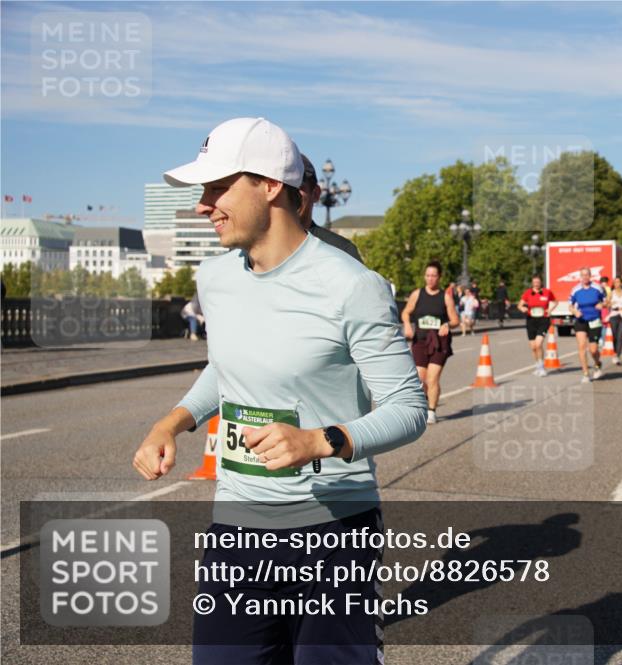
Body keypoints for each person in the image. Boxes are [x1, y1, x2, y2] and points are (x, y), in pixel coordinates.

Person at [133, 117, 427, 664]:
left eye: (218, 188)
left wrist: (318, 441)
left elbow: (409, 409)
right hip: (238, 529)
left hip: (333, 530)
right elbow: (227, 367)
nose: (203, 205)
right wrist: (171, 422)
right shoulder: (215, 278)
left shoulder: (353, 286)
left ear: (271, 186)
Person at [402, 261, 461, 424]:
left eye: (434, 275)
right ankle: (425, 400)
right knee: (420, 378)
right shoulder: (417, 294)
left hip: (439, 342)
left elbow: (456, 319)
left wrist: (448, 325)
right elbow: (406, 312)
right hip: (420, 341)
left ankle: (431, 411)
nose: (430, 279)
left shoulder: (445, 297)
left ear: (439, 277)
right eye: (427, 275)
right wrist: (407, 325)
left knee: (432, 378)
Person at [296, 154, 363, 262]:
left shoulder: (341, 250)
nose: (288, 196)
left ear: (316, 194)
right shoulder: (261, 246)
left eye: (297, 187)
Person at [570, 268, 607, 383]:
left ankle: (597, 363)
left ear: (590, 276)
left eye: (587, 275)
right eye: (583, 275)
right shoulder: (575, 290)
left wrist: (602, 304)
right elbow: (570, 305)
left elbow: (606, 301)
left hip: (595, 320)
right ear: (580, 276)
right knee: (581, 346)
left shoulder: (597, 288)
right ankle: (585, 373)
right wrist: (575, 312)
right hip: (581, 320)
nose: (585, 277)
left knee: (593, 350)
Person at [517, 275, 557, 376]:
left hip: (543, 320)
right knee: (533, 347)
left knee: (538, 344)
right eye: (534, 282)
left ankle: (542, 367)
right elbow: (519, 305)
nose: (536, 284)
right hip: (531, 320)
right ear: (532, 283)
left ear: (540, 282)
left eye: (538, 282)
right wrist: (523, 309)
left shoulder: (547, 292)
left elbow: (555, 301)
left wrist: (550, 310)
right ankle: (537, 366)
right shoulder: (528, 293)